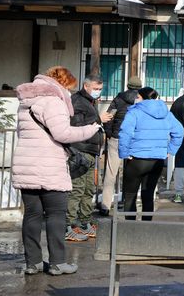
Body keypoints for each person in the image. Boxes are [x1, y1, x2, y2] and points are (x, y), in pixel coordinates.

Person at [12, 66, 101, 276]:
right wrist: (91, 129)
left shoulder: (26, 103)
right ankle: (58, 263)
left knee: (32, 215)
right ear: (62, 83)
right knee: (56, 215)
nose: (70, 91)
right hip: (49, 164)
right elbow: (62, 133)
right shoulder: (53, 100)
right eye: (69, 86)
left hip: (26, 164)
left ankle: (32, 263)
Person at [118, 87, 183, 221]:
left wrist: (124, 153)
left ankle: (129, 230)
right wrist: (169, 151)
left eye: (137, 96)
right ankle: (147, 228)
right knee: (148, 195)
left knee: (130, 195)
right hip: (157, 160)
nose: (136, 99)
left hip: (136, 159)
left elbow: (125, 133)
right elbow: (179, 132)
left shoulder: (134, 112)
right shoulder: (166, 113)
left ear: (141, 97)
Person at [66, 74, 113, 241]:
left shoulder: (89, 101)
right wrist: (99, 119)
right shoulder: (77, 101)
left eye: (100, 89)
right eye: (96, 89)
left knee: (88, 190)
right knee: (77, 189)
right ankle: (69, 225)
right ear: (86, 86)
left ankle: (85, 222)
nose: (98, 92)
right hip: (80, 150)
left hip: (91, 150)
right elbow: (76, 126)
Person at [100, 75, 142, 216]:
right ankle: (128, 204)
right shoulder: (142, 100)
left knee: (111, 173)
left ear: (128, 85)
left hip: (117, 138)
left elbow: (109, 117)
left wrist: (110, 133)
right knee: (132, 174)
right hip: (134, 141)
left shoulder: (119, 99)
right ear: (140, 86)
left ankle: (105, 205)